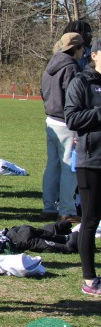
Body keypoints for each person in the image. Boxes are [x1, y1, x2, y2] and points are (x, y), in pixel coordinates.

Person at [64, 37, 101, 296]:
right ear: (94, 55)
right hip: (92, 161)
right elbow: (72, 118)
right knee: (90, 220)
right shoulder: (82, 82)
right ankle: (89, 280)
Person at [40, 32, 83, 221]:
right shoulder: (71, 67)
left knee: (53, 165)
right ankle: (67, 210)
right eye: (82, 48)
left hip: (51, 119)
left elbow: (42, 91)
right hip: (66, 122)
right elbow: (74, 96)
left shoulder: (51, 64)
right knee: (69, 167)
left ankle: (49, 207)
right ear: (76, 48)